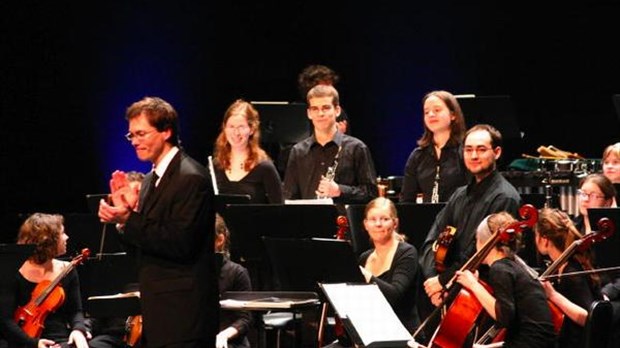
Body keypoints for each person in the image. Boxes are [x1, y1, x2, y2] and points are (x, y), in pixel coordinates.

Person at [98, 96, 217, 347]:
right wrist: (123, 218)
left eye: (141, 133)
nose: (135, 142)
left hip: (184, 315)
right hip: (159, 312)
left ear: (166, 131)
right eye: (131, 136)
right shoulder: (150, 180)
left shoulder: (191, 177)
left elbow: (180, 243)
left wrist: (130, 219)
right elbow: (143, 247)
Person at [420, 124, 521, 307]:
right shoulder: (459, 195)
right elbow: (432, 238)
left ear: (496, 153)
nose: (474, 156)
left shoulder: (505, 197)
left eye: (481, 150)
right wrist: (432, 280)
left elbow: (481, 253)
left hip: (483, 293)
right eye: (469, 150)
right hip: (450, 288)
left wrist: (443, 281)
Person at [453, 212, 556, 348]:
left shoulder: (499, 269)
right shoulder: (514, 265)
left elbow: (504, 317)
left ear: (484, 241)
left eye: (477, 239)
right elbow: (520, 327)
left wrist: (473, 285)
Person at [0, 213, 91, 348]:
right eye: (62, 233)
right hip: (24, 340)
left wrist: (78, 330)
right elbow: (5, 320)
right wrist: (34, 343)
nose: (67, 237)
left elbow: (75, 311)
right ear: (48, 241)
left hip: (60, 339)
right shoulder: (14, 270)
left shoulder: (67, 269)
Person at [282, 84, 377, 204]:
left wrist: (339, 190)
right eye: (315, 109)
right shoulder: (298, 151)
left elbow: (371, 194)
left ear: (337, 111)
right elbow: (289, 196)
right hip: (308, 220)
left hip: (344, 221)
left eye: (326, 108)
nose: (320, 113)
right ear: (309, 113)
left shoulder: (356, 148)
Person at [534, 207, 600, 347]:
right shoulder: (561, 266)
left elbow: (587, 318)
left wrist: (552, 295)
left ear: (544, 240)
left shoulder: (571, 272)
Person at [358, 197, 420, 332]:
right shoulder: (364, 258)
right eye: (373, 219)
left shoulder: (407, 252)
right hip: (373, 331)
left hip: (403, 333)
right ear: (365, 224)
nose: (378, 224)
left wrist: (366, 275)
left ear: (395, 223)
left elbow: (394, 295)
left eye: (385, 219)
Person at [400, 90, 469, 203]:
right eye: (426, 112)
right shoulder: (418, 155)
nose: (431, 115)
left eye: (437, 110)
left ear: (453, 115)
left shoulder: (466, 150)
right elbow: (407, 199)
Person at [211, 99, 283, 204]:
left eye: (241, 127)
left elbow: (279, 210)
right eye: (231, 126)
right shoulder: (216, 165)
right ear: (224, 128)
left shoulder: (264, 167)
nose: (236, 133)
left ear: (252, 129)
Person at [215, 214, 252, 348]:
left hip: (229, 341)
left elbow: (244, 319)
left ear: (220, 240)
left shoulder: (237, 273)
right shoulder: (190, 273)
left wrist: (223, 335)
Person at [297, 64, 350, 135]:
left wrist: (339, 137)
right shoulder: (296, 112)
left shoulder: (337, 112)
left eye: (330, 85)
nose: (331, 89)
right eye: (325, 86)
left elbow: (348, 142)